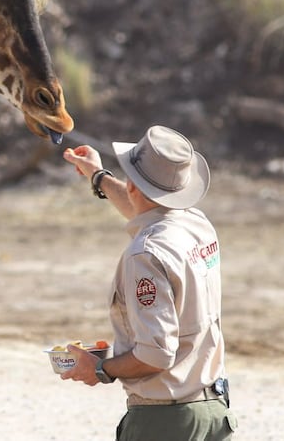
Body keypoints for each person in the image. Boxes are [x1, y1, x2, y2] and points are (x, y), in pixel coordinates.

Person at [59, 125, 237, 440]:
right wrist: (98, 176)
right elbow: (146, 210)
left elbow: (155, 355)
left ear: (133, 186)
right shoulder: (197, 224)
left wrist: (100, 369)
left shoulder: (145, 255)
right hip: (213, 414)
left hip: (166, 423)